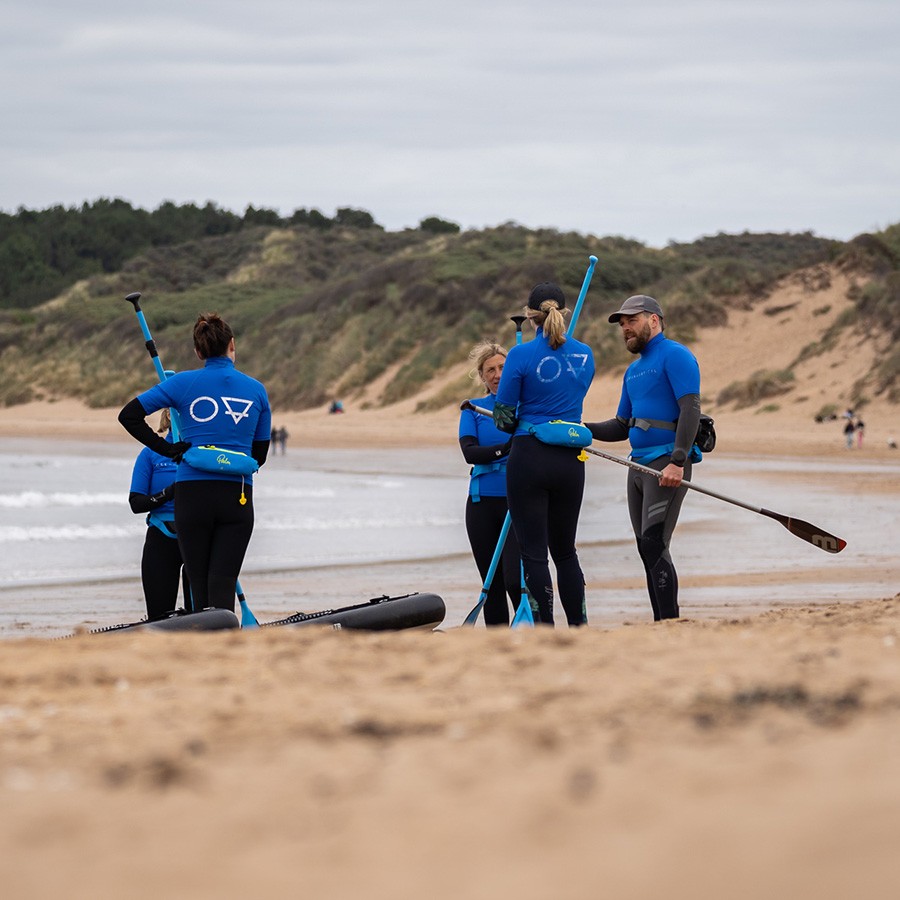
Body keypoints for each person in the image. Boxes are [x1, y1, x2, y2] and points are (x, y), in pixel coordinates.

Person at [118, 313, 272, 612]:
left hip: (194, 493)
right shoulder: (256, 390)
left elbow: (129, 415)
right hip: (237, 496)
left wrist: (168, 449)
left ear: (198, 352)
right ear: (232, 345)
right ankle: (227, 644)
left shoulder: (183, 384)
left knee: (199, 581)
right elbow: (259, 456)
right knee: (223, 580)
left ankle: (203, 644)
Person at [585, 295, 701, 622]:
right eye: (622, 325)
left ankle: (670, 622)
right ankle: (660, 621)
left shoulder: (676, 355)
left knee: (654, 543)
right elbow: (621, 425)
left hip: (666, 463)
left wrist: (678, 461)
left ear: (653, 319)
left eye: (631, 321)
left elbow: (690, 409)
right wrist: (580, 429)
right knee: (644, 547)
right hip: (636, 466)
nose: (625, 329)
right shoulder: (633, 371)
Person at [493, 282, 595, 627]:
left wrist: (522, 410)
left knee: (533, 553)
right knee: (566, 550)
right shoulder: (585, 355)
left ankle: (545, 628)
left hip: (529, 456)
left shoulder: (520, 355)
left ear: (529, 316)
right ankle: (579, 627)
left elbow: (504, 419)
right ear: (563, 313)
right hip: (569, 458)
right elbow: (571, 400)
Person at [458, 340, 522, 626]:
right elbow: (470, 453)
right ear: (482, 376)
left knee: (514, 580)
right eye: (490, 370)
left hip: (518, 500)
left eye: (502, 368)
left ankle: (529, 633)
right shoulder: (472, 409)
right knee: (492, 585)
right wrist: (507, 448)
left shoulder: (526, 408)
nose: (497, 375)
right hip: (481, 503)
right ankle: (499, 644)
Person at [128, 408, 190, 619]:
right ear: (170, 414)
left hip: (197, 538)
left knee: (202, 613)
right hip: (161, 537)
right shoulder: (151, 454)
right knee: (159, 616)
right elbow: (136, 503)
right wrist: (169, 493)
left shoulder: (203, 453)